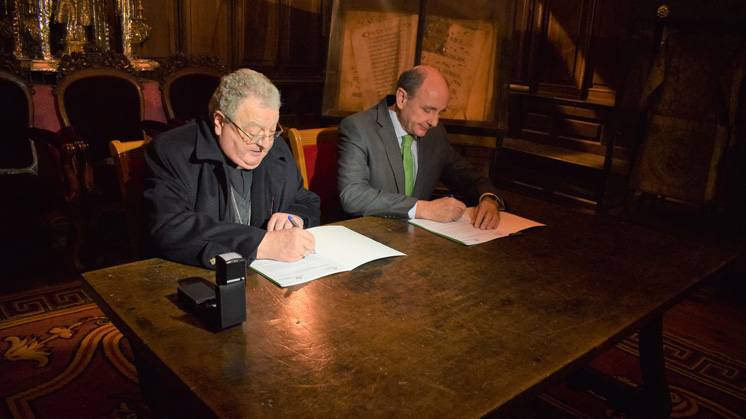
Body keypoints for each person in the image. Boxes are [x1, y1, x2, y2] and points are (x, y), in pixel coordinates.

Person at [143, 68, 320, 269]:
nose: (264, 144)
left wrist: (293, 217)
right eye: (253, 133)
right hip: (199, 278)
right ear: (219, 122)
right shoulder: (173, 151)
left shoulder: (276, 149)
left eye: (272, 131)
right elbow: (170, 227)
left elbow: (305, 200)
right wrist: (261, 244)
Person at [337, 65, 505, 229]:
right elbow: (353, 195)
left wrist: (488, 199)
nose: (434, 121)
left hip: (415, 241)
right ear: (402, 98)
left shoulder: (435, 133)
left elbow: (467, 176)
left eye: (440, 112)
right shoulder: (358, 128)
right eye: (428, 110)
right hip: (367, 237)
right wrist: (423, 208)